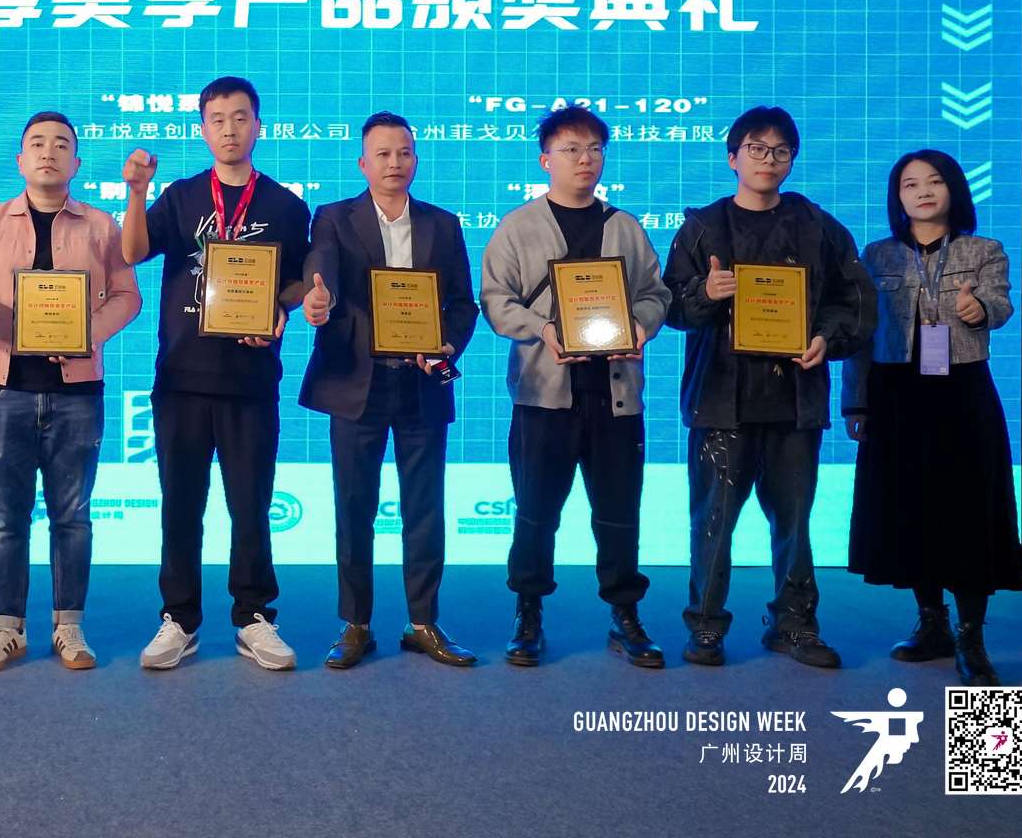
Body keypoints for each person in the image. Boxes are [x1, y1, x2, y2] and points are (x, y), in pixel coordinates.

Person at [661, 106, 876, 669]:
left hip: (794, 399)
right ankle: (705, 626)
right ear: (733, 157)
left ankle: (795, 626)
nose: (769, 159)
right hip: (721, 399)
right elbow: (670, 307)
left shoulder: (820, 227)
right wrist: (705, 292)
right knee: (713, 523)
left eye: (780, 151)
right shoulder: (703, 227)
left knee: (795, 524)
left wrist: (826, 337)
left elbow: (854, 301)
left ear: (792, 160)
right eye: (756, 149)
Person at [121, 75, 311, 671]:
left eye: (240, 117)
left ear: (259, 126)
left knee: (251, 505)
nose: (229, 129)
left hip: (250, 380)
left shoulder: (286, 205)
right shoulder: (179, 196)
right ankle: (179, 618)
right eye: (218, 120)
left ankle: (254, 616)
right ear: (203, 130)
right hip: (181, 376)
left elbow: (299, 280)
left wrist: (280, 308)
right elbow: (132, 251)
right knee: (181, 505)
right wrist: (136, 192)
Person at [0, 112, 142, 672]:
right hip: (4, 390)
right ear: (20, 160)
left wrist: (88, 335)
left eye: (60, 145)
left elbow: (128, 296)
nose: (48, 152)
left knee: (72, 517)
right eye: (36, 144)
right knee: (5, 519)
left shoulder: (100, 225)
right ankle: (5, 629)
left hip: (77, 394)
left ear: (76, 163)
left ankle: (69, 627)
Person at [479, 107, 672, 669]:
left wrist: (641, 325)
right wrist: (542, 329)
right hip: (544, 396)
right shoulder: (518, 226)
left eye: (593, 149)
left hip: (615, 396)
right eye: (570, 149)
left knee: (619, 511)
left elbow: (655, 293)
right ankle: (528, 611)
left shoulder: (625, 227)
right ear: (546, 160)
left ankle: (625, 613)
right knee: (536, 511)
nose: (584, 159)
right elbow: (495, 299)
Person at [300, 112, 479, 669]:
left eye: (403, 152)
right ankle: (355, 624)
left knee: (424, 507)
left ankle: (423, 622)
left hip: (422, 382)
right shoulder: (334, 217)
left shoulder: (443, 224)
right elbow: (322, 272)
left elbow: (462, 304)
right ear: (363, 163)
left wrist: (447, 345)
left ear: (416, 160)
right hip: (358, 383)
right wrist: (318, 300)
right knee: (355, 506)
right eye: (382, 154)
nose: (394, 163)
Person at [844, 150, 1022, 685]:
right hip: (895, 392)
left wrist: (979, 309)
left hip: (962, 393)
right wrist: (856, 402)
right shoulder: (876, 255)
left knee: (968, 511)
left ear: (954, 190)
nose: (922, 191)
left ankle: (972, 636)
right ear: (897, 197)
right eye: (910, 184)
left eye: (934, 181)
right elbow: (861, 337)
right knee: (910, 508)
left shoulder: (984, 250)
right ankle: (931, 623)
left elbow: (1001, 304)